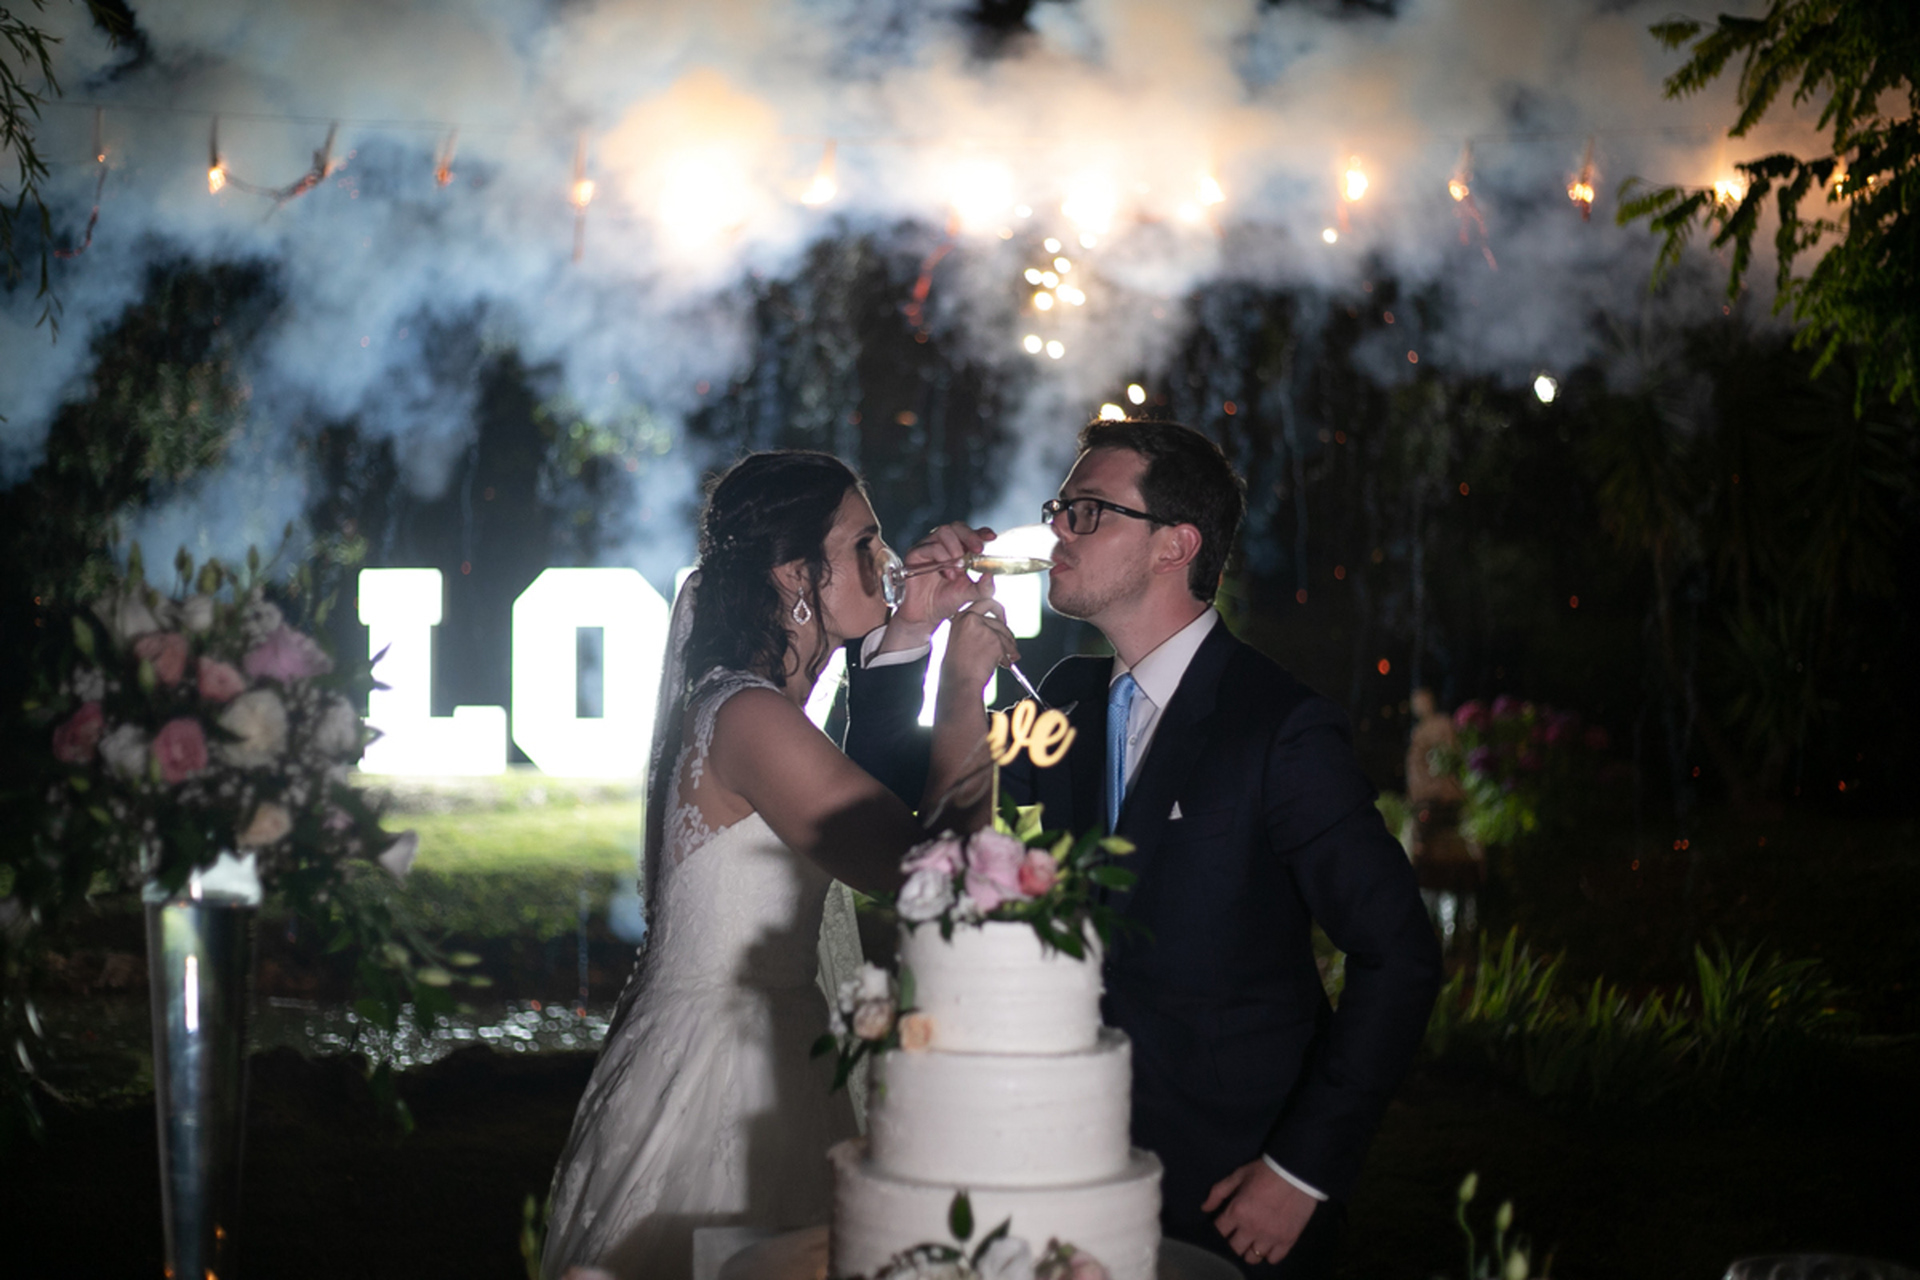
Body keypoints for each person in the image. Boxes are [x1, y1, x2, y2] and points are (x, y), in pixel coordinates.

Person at [845, 420, 1442, 1278]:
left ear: (1175, 545)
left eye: (1087, 512)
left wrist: (1301, 1171)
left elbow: (1400, 953)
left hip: (1232, 1181)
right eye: (1059, 510)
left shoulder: (1278, 727)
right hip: (1073, 1164)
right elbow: (906, 785)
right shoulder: (1071, 697)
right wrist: (912, 631)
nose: (1057, 530)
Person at [541, 451, 1014, 1280]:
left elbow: (874, 798)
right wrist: (961, 690)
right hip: (723, 1081)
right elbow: (929, 873)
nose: (889, 559)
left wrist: (910, 630)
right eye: (864, 543)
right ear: (798, 575)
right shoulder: (750, 717)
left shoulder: (752, 705)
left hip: (781, 1051)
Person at [1405, 688, 1480, 951]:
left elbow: (1453, 754)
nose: (1420, 707)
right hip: (1429, 802)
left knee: (1456, 878)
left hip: (1446, 799)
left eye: (1422, 702)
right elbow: (1415, 767)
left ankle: (1459, 937)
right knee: (1426, 874)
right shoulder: (1419, 732)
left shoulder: (1443, 725)